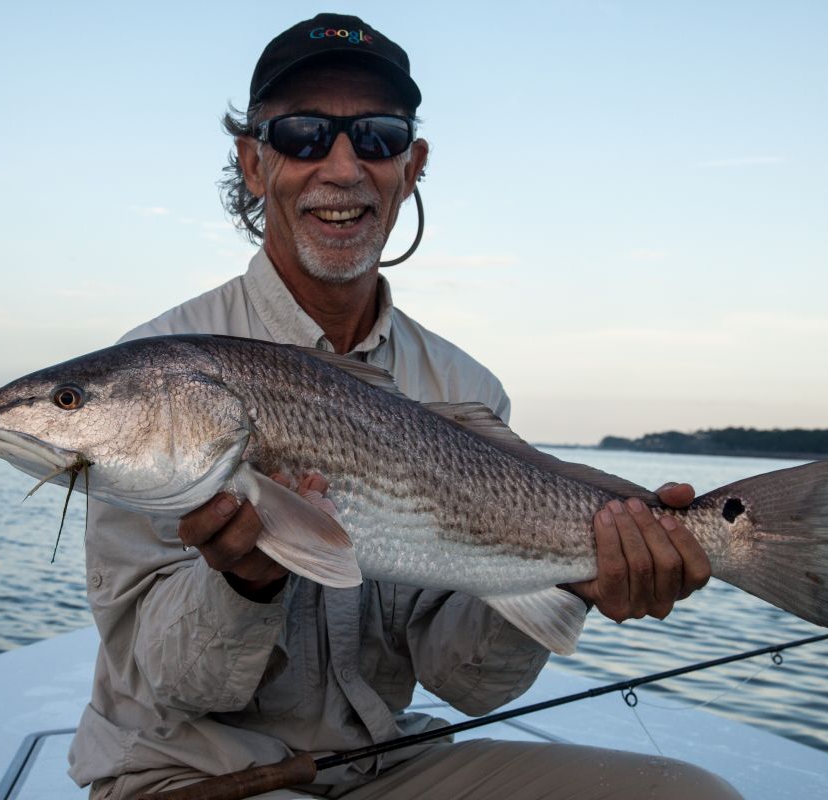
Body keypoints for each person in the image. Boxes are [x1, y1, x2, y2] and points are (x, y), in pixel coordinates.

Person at [68, 14, 742, 800]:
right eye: (303, 134)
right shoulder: (152, 377)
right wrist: (245, 583)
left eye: (380, 136)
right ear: (254, 163)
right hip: (183, 772)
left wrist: (580, 577)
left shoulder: (464, 385)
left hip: (380, 765)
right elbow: (178, 686)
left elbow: (465, 681)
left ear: (413, 165)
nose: (344, 166)